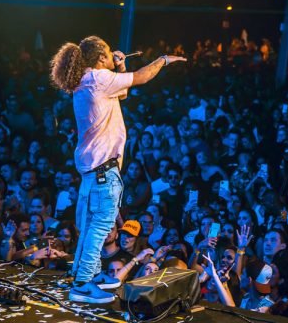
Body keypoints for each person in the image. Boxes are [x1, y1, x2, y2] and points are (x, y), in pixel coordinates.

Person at [49, 35, 186, 303]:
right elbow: (141, 78)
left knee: (90, 227)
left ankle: (82, 274)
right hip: (103, 171)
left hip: (93, 171)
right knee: (100, 227)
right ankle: (83, 283)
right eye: (109, 51)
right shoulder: (99, 78)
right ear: (101, 56)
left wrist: (120, 66)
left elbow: (122, 92)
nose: (114, 53)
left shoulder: (87, 80)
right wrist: (163, 60)